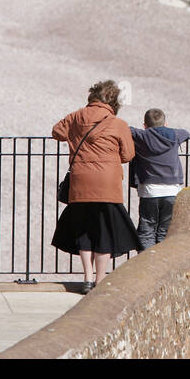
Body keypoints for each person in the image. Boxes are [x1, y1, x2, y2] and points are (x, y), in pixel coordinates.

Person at [51, 80, 139, 294]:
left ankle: (87, 278)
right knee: (105, 233)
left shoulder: (76, 116)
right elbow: (128, 155)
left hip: (81, 182)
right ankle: (101, 280)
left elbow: (57, 132)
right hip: (108, 184)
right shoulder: (118, 124)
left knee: (84, 230)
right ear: (112, 100)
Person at [129, 108, 189, 250]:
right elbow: (186, 133)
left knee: (147, 230)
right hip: (172, 190)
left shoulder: (141, 136)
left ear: (145, 125)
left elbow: (127, 129)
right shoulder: (174, 135)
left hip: (150, 191)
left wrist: (144, 131)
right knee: (165, 232)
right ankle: (163, 266)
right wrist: (166, 130)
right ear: (165, 123)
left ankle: (147, 266)